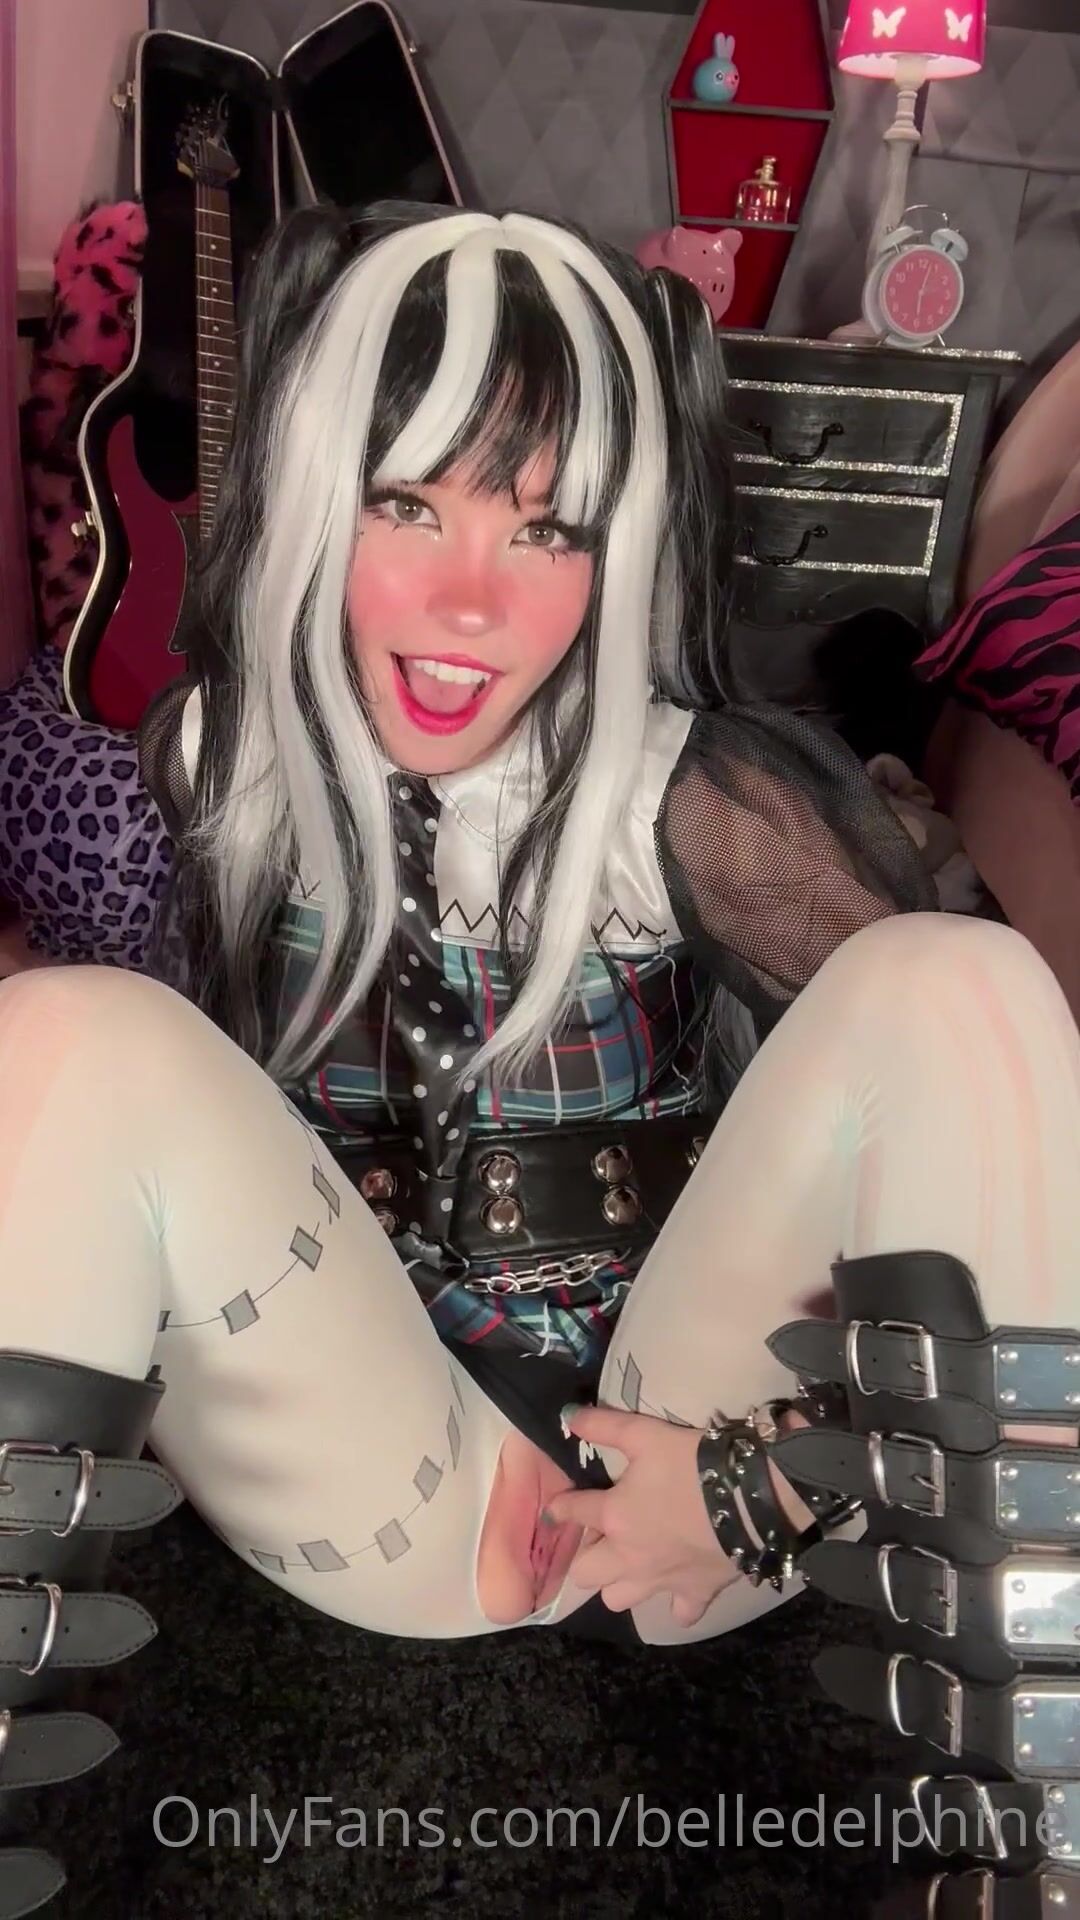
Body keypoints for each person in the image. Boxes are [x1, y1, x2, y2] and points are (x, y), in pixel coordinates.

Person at [2, 202, 1080, 1920]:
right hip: (380, 1455)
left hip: (677, 1441)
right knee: (62, 1029)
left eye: (546, 527)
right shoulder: (224, 762)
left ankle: (1054, 1848)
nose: (469, 600)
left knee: (964, 983)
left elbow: (947, 1134)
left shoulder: (699, 800)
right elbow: (143, 1125)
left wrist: (770, 1476)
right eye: (407, 503)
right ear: (313, 496)